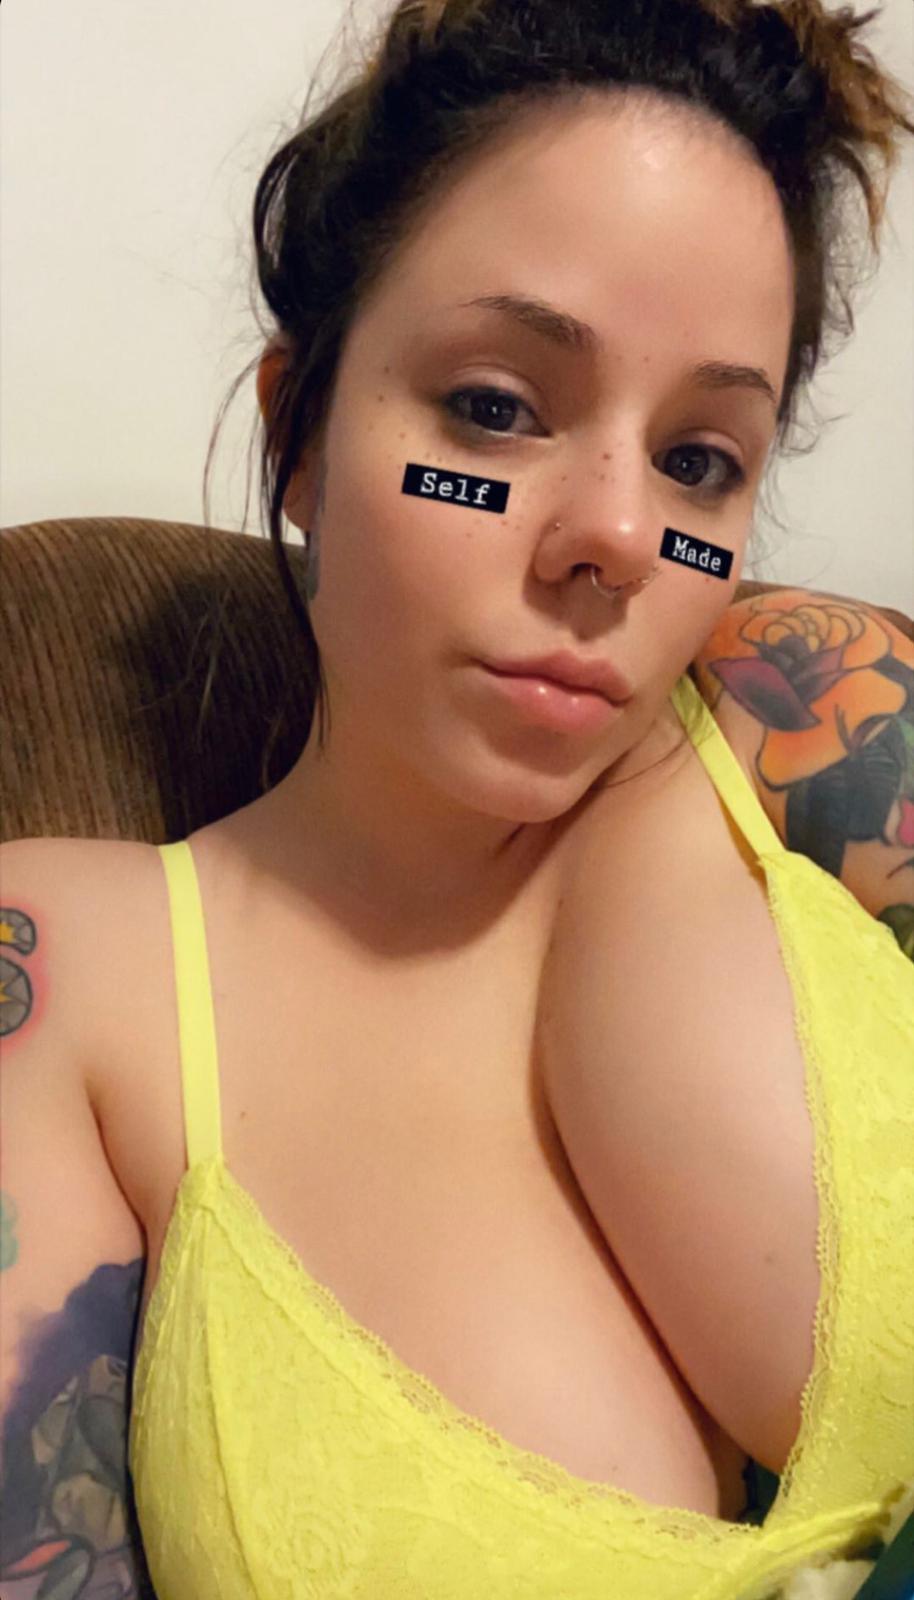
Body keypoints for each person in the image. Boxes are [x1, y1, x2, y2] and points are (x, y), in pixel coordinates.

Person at [2, 0, 913, 1595]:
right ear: (299, 432)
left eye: (700, 458)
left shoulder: (808, 717)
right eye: (494, 408)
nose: (617, 537)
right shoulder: (63, 974)